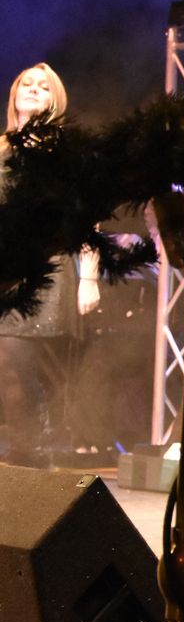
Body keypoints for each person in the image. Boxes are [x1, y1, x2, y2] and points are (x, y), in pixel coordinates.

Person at [0, 63, 99, 463]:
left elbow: (86, 218)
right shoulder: (0, 148)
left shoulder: (65, 153)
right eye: (27, 83)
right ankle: (26, 450)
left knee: (15, 361)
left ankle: (31, 452)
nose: (33, 89)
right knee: (9, 366)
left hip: (44, 273)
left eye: (43, 86)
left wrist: (89, 277)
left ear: (55, 100)